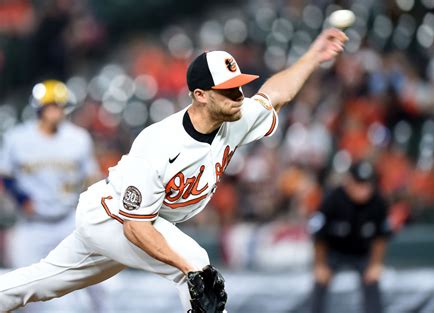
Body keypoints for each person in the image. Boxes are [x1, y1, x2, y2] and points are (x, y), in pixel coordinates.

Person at [0, 28, 348, 312]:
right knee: (197, 266)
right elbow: (136, 228)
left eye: (239, 85)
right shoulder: (158, 143)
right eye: (228, 90)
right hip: (113, 219)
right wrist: (188, 269)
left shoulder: (235, 117)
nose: (239, 95)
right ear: (200, 95)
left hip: (136, 222)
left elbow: (276, 94)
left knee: (40, 283)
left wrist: (313, 56)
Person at [0, 80, 106, 312]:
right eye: (51, 106)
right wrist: (21, 200)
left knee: (96, 280)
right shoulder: (18, 138)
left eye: (60, 106)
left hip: (68, 220)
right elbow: (5, 176)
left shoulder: (78, 138)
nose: (56, 111)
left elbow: (92, 179)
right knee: (24, 286)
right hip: (32, 224)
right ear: (39, 108)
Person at [308, 160, 391, 313]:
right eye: (359, 184)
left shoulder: (378, 202)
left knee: (373, 280)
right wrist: (320, 264)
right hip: (333, 252)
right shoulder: (332, 199)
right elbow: (318, 235)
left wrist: (375, 264)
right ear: (349, 181)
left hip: (361, 253)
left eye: (367, 184)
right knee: (320, 281)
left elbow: (381, 237)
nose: (364, 190)